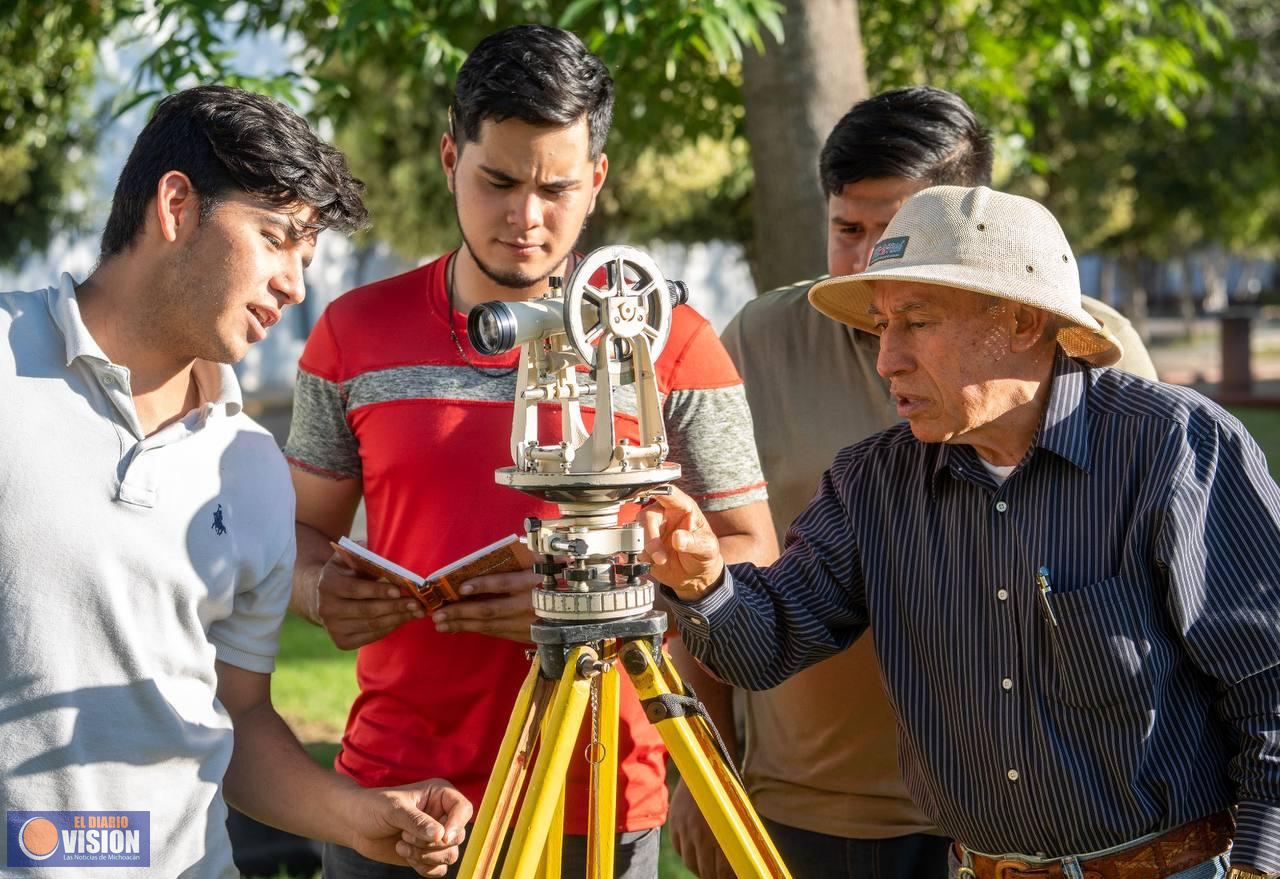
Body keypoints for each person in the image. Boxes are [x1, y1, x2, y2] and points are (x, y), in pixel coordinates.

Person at [643, 185, 1280, 879]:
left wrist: (1261, 864)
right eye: (882, 326)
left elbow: (1268, 684)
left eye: (916, 322)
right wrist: (702, 581)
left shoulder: (1173, 446)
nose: (887, 359)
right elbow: (765, 644)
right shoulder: (873, 481)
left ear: (1023, 322)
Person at [283, 24, 777, 879]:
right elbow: (297, 536)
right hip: (398, 790)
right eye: (499, 181)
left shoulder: (676, 342)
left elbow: (750, 550)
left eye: (556, 187)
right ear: (450, 158)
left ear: (598, 179)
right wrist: (316, 589)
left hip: (598, 792)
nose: (526, 217)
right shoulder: (352, 333)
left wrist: (595, 604)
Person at [666, 86, 1160, 879]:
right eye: (847, 230)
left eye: (896, 232)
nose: (870, 263)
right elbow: (716, 569)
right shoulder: (761, 344)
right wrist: (704, 767)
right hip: (821, 808)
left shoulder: (1096, 351)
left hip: (1051, 820)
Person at [0, 86, 470, 878]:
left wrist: (359, 815)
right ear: (176, 206)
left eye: (305, 259)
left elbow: (238, 719)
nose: (294, 285)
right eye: (275, 238)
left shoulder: (252, 468)